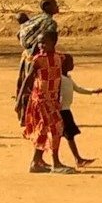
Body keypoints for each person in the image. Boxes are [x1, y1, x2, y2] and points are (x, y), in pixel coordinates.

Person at [21, 28, 70, 174]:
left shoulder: (59, 58)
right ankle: (56, 163)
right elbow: (28, 79)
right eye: (39, 42)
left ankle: (36, 162)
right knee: (56, 128)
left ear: (53, 43)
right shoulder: (38, 59)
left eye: (44, 42)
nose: (41, 45)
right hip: (41, 100)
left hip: (52, 100)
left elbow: (59, 78)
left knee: (44, 130)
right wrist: (19, 100)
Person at [58, 53, 99, 168]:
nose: (73, 65)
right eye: (70, 63)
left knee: (68, 135)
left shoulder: (68, 78)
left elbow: (78, 89)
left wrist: (93, 91)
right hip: (61, 111)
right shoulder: (59, 78)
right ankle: (77, 159)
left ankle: (77, 158)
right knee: (68, 135)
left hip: (66, 110)